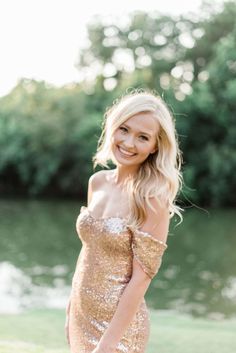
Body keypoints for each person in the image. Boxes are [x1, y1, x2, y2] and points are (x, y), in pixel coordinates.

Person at [65, 90, 183, 353]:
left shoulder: (151, 199)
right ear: (113, 127)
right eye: (124, 129)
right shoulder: (97, 183)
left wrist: (107, 345)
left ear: (155, 146)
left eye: (143, 137)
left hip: (119, 330)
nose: (129, 143)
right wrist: (71, 305)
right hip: (81, 315)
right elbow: (89, 250)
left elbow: (141, 280)